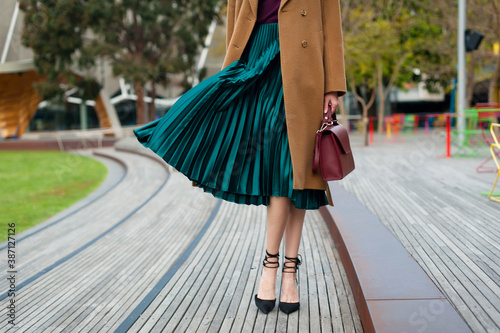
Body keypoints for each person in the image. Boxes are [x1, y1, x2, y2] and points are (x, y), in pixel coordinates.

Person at [134, 0, 347, 315]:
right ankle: (273, 266)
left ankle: (285, 271)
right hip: (257, 61)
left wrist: (333, 87)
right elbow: (238, 14)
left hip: (303, 65)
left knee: (296, 171)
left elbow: (331, 26)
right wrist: (231, 68)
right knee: (281, 167)